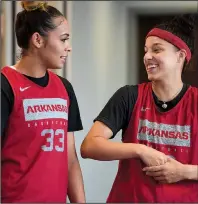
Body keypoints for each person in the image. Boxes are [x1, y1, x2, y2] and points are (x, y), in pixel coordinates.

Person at [81, 13, 198, 202]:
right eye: (146, 50)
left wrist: (184, 172)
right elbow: (89, 146)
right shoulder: (129, 96)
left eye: (157, 50)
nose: (147, 57)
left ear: (180, 56)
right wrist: (141, 150)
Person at [1, 1, 85, 203]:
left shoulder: (64, 88)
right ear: (37, 40)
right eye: (63, 39)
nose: (69, 47)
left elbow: (70, 159)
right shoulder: (5, 85)